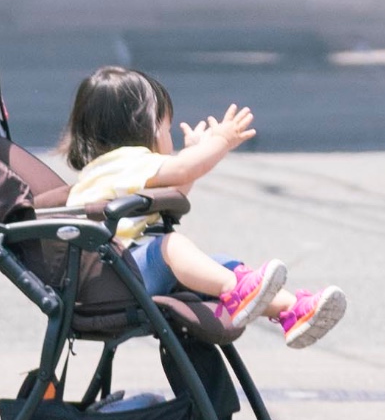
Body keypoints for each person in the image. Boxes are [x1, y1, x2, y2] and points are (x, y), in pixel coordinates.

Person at [61, 67, 346, 348]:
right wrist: (221, 141)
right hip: (117, 281)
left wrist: (192, 155)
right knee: (172, 246)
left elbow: (172, 192)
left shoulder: (107, 169)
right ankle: (236, 292)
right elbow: (183, 171)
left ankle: (292, 309)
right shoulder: (126, 161)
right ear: (143, 127)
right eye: (165, 128)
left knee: (217, 264)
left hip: (115, 275)